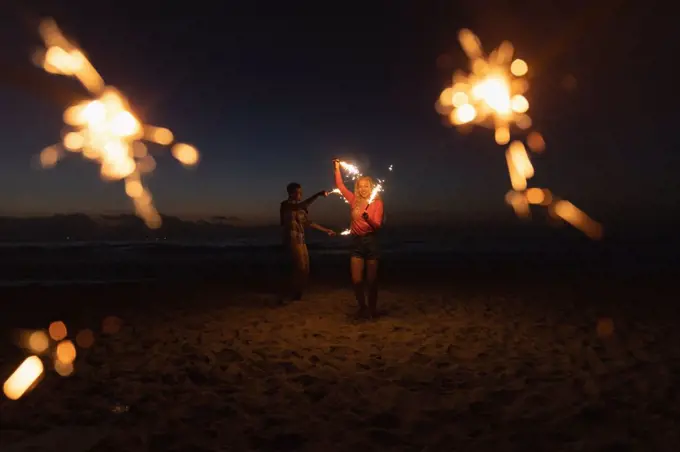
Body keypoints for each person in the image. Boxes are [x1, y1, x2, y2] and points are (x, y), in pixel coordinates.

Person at [333, 159, 384, 319]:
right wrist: (336, 168)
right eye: (360, 186)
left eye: (366, 186)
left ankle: (372, 309)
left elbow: (377, 226)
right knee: (356, 281)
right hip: (356, 243)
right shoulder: (353, 200)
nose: (363, 189)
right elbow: (341, 187)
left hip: (371, 242)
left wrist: (368, 218)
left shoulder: (377, 203)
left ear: (371, 187)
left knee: (372, 281)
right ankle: (362, 307)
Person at [280, 182, 336, 303]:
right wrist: (317, 195)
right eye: (298, 192)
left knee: (306, 268)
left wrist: (326, 230)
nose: (301, 194)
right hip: (292, 239)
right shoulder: (285, 205)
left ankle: (298, 292)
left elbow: (308, 223)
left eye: (301, 192)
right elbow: (298, 207)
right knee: (299, 267)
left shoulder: (301, 208)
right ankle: (293, 293)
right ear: (291, 193)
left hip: (301, 239)